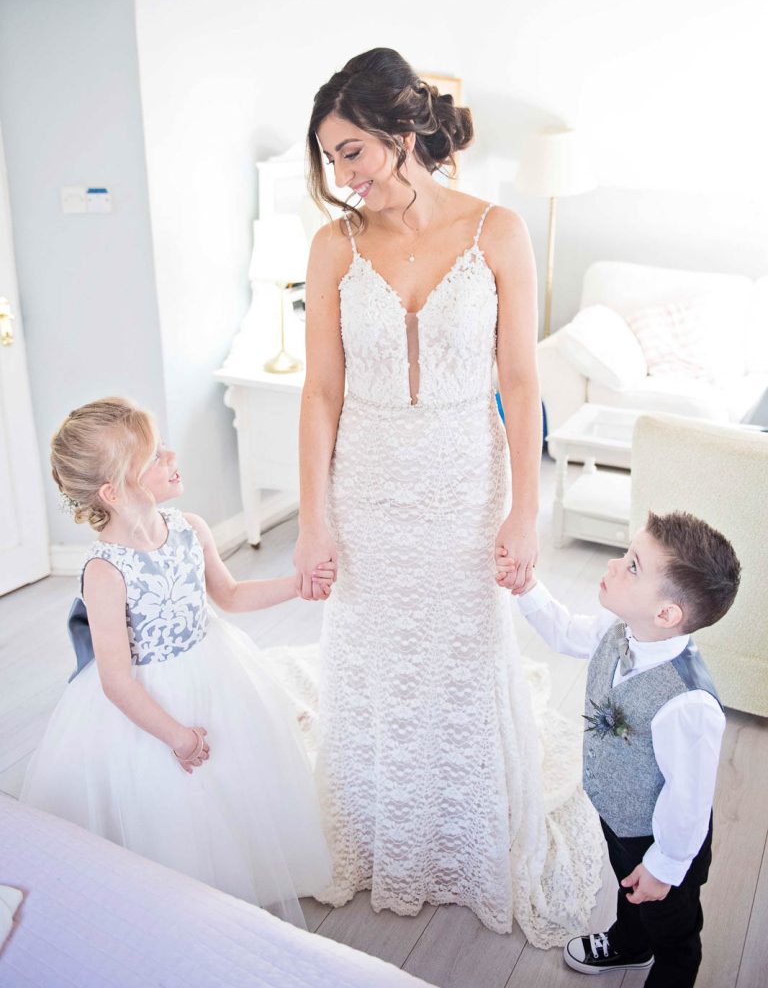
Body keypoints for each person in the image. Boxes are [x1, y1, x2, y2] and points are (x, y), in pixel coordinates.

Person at [294, 47, 603, 944]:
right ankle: (381, 831)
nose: (339, 174)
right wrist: (315, 521)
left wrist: (524, 508)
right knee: (374, 656)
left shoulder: (497, 231)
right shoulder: (331, 246)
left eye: (350, 149)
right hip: (371, 484)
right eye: (329, 156)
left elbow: (520, 379)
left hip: (466, 482)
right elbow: (320, 393)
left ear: (401, 133)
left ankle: (465, 836)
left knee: (464, 655)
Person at [21, 397, 333, 929]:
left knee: (239, 775)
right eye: (154, 456)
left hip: (213, 668)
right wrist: (175, 735)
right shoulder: (105, 571)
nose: (170, 455)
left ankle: (248, 870)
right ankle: (186, 909)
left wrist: (297, 587)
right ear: (114, 492)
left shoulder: (189, 527)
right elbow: (117, 681)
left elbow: (230, 595)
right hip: (151, 705)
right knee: (177, 808)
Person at [506, 510, 740, 985]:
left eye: (632, 565)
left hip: (665, 840)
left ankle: (668, 969)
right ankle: (630, 943)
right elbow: (567, 630)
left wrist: (664, 866)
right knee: (627, 885)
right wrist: (525, 587)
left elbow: (688, 802)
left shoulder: (689, 702)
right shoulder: (621, 633)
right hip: (620, 817)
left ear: (666, 613)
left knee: (671, 926)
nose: (614, 565)